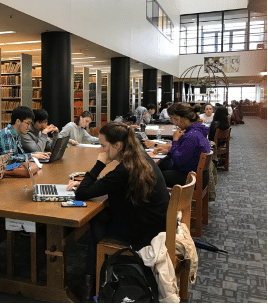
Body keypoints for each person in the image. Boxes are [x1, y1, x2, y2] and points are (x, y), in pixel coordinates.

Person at [66, 122, 170, 301]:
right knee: (100, 216)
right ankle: (93, 276)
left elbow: (82, 193)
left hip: (143, 233)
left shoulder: (124, 170)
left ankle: (94, 279)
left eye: (104, 146)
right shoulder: (139, 158)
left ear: (118, 145)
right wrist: (97, 183)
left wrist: (99, 164)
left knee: (96, 221)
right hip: (155, 223)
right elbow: (111, 184)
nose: (102, 150)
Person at [156, 103, 211, 188]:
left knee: (155, 176)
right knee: (161, 167)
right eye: (172, 119)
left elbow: (179, 161)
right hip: (197, 173)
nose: (174, 123)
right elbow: (186, 153)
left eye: (176, 119)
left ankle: (165, 200)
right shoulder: (196, 130)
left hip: (192, 177)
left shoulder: (191, 135)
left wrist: (175, 140)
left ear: (185, 118)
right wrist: (169, 151)